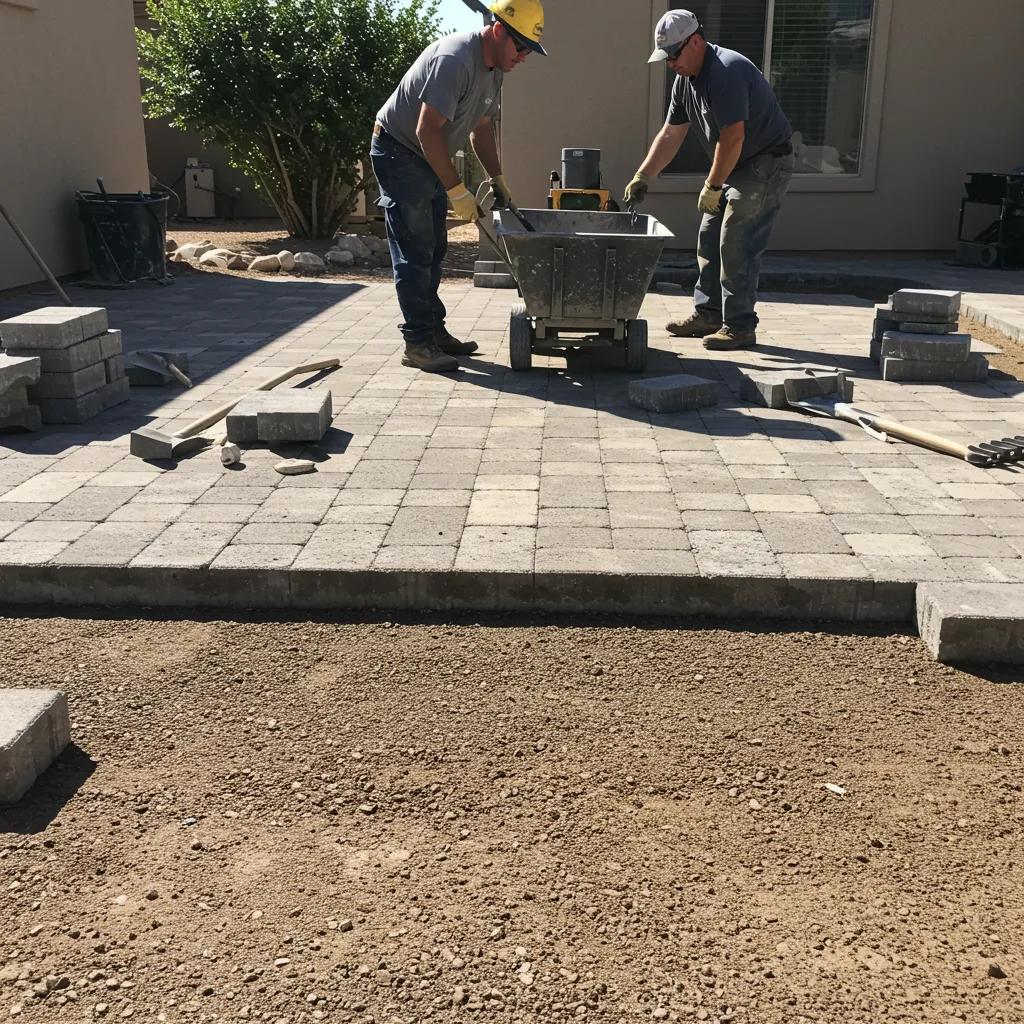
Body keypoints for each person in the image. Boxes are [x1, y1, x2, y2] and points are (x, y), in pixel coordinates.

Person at [371, 0, 547, 373]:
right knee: (416, 248)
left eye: (529, 51)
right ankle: (417, 343)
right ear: (499, 30)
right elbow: (425, 130)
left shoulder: (496, 68)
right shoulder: (455, 60)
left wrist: (497, 178)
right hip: (399, 150)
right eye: (521, 48)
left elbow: (481, 129)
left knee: (435, 246)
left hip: (426, 152)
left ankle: (433, 330)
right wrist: (456, 190)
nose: (523, 58)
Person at [624, 10, 793, 350]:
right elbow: (671, 134)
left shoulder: (725, 71)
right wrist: (644, 174)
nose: (671, 63)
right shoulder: (685, 80)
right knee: (709, 235)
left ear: (696, 41)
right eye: (666, 57)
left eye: (674, 54)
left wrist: (713, 185)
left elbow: (733, 138)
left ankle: (740, 326)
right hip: (737, 165)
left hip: (765, 163)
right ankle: (709, 315)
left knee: (736, 240)